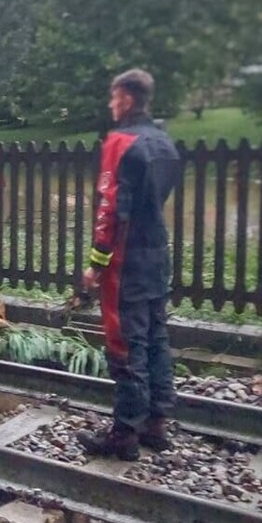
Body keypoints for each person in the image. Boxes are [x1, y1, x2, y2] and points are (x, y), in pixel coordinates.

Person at [78, 68, 180, 461]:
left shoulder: (120, 142)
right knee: (156, 336)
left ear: (127, 99)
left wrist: (96, 264)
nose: (110, 104)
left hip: (125, 260)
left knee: (125, 343)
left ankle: (124, 434)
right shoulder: (164, 144)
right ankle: (156, 423)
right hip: (157, 253)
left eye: (113, 97)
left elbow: (110, 209)